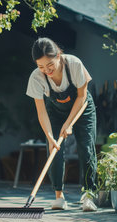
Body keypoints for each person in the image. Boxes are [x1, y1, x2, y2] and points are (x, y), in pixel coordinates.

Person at [26, 37, 98, 212]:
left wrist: (69, 123)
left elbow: (81, 96)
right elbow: (41, 111)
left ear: (58, 55)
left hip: (82, 108)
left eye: (50, 64)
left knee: (86, 148)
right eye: (41, 66)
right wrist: (50, 136)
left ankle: (89, 194)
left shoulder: (74, 64)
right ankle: (59, 196)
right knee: (54, 149)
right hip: (55, 112)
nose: (46, 70)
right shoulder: (36, 77)